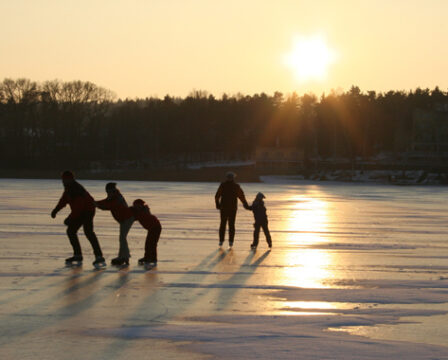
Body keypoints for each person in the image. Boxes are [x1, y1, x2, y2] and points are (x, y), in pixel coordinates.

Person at [51, 170, 105, 267]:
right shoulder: (68, 188)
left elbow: (78, 207)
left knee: (88, 232)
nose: (63, 181)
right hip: (81, 211)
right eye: (63, 179)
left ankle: (99, 256)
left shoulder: (76, 189)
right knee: (71, 231)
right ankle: (78, 255)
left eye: (65, 179)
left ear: (70, 179)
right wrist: (56, 210)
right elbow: (64, 200)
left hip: (88, 210)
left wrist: (70, 218)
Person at [96, 182, 134, 266]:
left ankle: (125, 256)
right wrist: (96, 203)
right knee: (122, 237)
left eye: (108, 190)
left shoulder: (117, 197)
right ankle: (123, 256)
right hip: (123, 219)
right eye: (107, 191)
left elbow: (109, 206)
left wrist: (97, 204)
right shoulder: (113, 196)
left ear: (112, 190)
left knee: (122, 238)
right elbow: (106, 201)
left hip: (127, 218)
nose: (107, 192)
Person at [215, 171, 250, 248]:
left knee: (229, 225)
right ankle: (222, 240)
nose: (229, 178)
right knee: (224, 224)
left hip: (231, 208)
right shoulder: (225, 185)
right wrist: (218, 205)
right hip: (226, 208)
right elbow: (217, 196)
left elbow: (241, 196)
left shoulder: (235, 186)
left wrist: (245, 203)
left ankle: (230, 241)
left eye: (230, 177)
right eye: (229, 177)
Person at [130, 199, 162, 267]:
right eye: (134, 205)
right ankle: (152, 258)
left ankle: (149, 258)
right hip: (153, 227)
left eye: (136, 205)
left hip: (155, 227)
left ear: (140, 205)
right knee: (151, 243)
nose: (135, 207)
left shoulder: (142, 211)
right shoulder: (141, 210)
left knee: (150, 243)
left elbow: (138, 216)